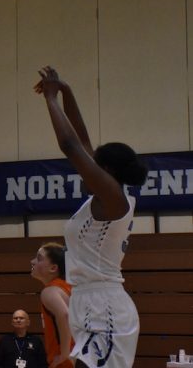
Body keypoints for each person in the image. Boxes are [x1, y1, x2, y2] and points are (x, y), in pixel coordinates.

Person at [36, 66, 147, 368]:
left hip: (105, 307)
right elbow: (82, 140)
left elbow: (71, 146)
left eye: (95, 165)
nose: (87, 169)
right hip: (85, 303)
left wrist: (51, 100)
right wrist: (66, 91)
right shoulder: (102, 198)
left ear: (107, 172)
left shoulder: (114, 199)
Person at [30, 243, 72, 368]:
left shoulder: (50, 291)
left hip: (65, 363)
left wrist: (64, 354)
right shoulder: (67, 287)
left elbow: (64, 314)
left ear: (53, 268)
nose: (32, 261)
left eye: (39, 258)